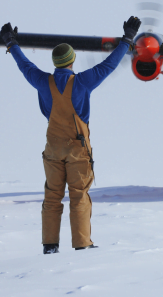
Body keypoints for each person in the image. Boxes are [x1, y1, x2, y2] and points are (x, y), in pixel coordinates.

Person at [0, 16, 141, 254]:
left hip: (53, 150)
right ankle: (82, 244)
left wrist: (11, 44)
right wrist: (127, 39)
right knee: (79, 196)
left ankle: (50, 245)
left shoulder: (43, 81)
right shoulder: (83, 82)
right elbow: (109, 65)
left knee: (52, 197)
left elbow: (25, 65)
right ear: (72, 60)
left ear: (55, 63)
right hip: (77, 151)